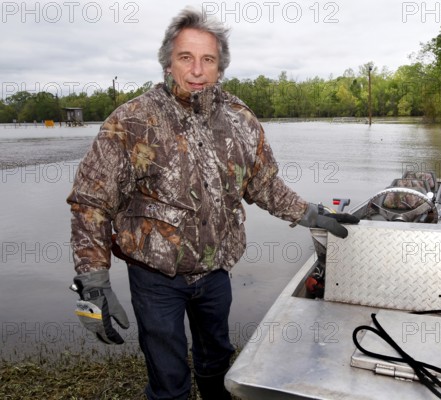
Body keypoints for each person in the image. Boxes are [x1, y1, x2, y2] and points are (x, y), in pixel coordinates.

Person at [67, 7, 357, 400]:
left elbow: (263, 184)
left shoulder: (239, 117)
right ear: (168, 62)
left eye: (208, 60)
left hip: (216, 271)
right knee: (169, 381)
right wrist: (93, 281)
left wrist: (309, 213)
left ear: (221, 67)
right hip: (155, 278)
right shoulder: (131, 121)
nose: (197, 70)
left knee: (217, 363)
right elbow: (91, 203)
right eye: (186, 57)